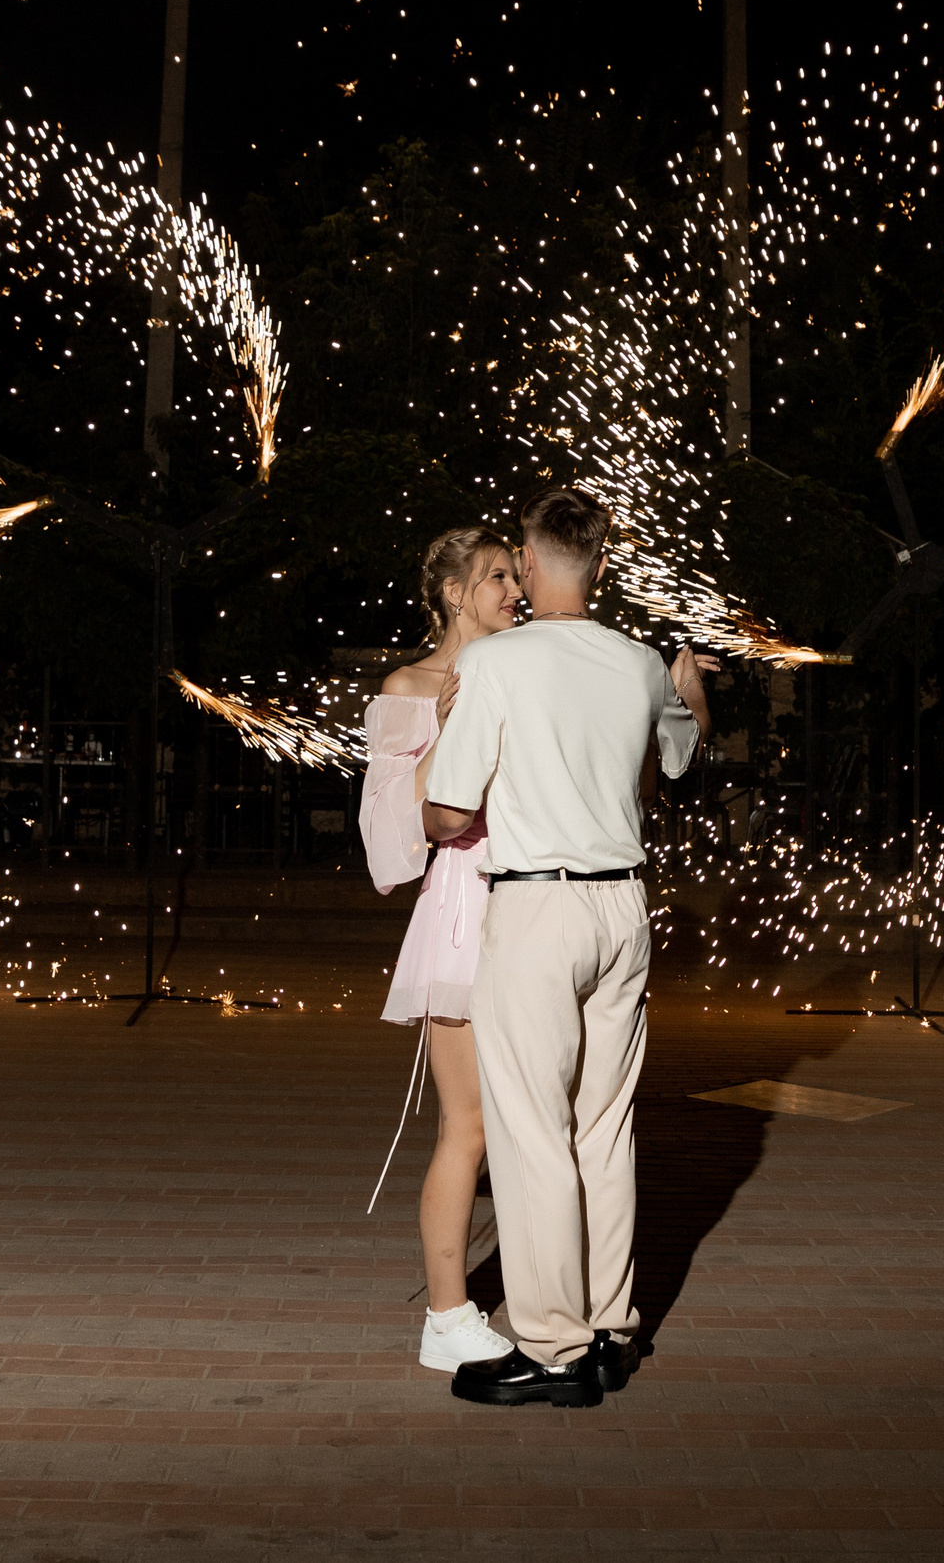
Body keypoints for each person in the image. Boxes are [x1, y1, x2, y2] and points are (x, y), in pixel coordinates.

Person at [421, 485, 715, 1407]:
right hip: (623, 906)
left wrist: (448, 741)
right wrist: (690, 689)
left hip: (538, 907)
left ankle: (553, 1347)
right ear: (601, 562)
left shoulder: (497, 662)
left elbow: (446, 813)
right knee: (604, 1126)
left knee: (531, 1130)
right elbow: (681, 756)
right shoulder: (637, 662)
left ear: (531, 560)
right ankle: (611, 1329)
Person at [358, 526, 524, 1373]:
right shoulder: (408, 687)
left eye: (516, 576)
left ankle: (536, 1294)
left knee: (528, 1122)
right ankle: (449, 1315)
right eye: (497, 577)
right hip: (462, 906)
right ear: (455, 593)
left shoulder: (522, 671)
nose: (514, 590)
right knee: (471, 1124)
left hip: (530, 904)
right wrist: (445, 733)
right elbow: (390, 840)